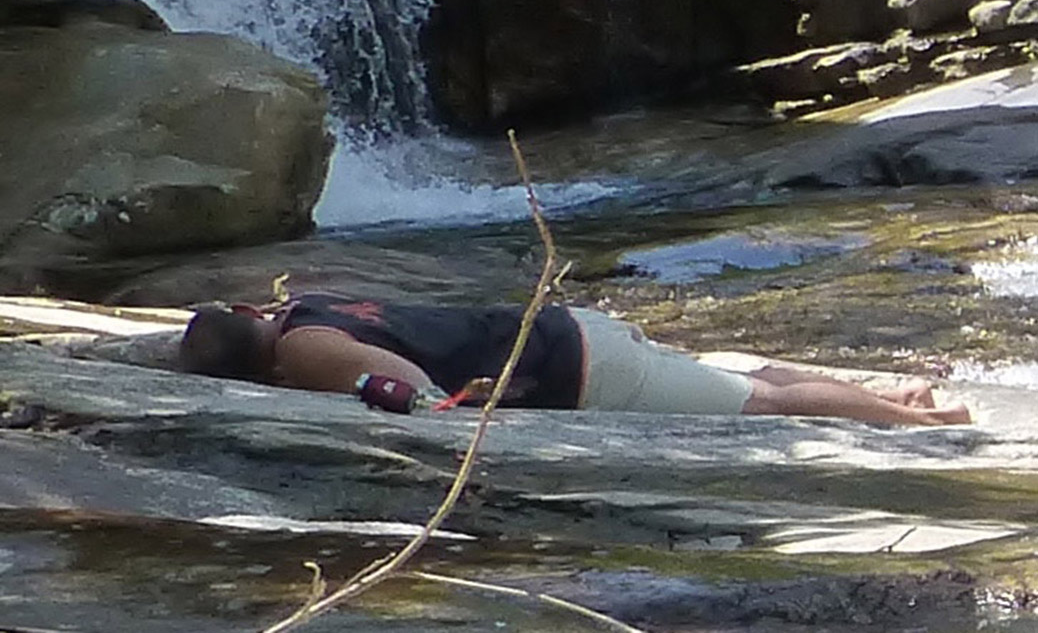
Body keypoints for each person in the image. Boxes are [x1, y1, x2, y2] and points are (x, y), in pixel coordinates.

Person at [179, 292, 971, 426]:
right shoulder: (310, 305)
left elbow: (404, 392)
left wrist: (443, 409)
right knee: (748, 380)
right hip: (566, 327)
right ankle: (891, 394)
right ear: (254, 310)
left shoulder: (304, 348)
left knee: (761, 407)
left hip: (577, 372)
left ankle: (917, 421)